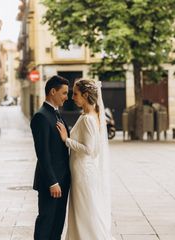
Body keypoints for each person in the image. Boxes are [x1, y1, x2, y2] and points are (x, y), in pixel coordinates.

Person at [56, 79, 114, 240]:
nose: (72, 97)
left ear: (86, 95)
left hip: (82, 172)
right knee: (84, 210)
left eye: (75, 93)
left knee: (84, 212)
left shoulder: (88, 118)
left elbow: (89, 149)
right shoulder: (91, 115)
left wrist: (66, 139)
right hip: (82, 170)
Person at [30, 75, 71, 240]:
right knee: (46, 223)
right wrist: (53, 182)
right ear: (52, 92)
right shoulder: (41, 116)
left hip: (63, 180)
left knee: (58, 224)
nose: (66, 97)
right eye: (64, 93)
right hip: (51, 182)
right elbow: (43, 154)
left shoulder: (56, 114)